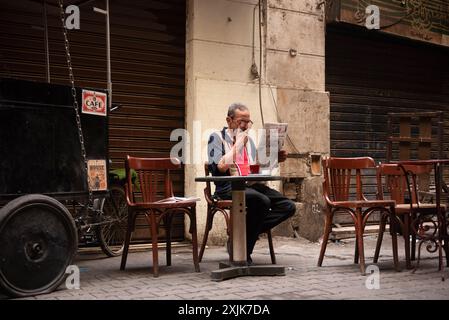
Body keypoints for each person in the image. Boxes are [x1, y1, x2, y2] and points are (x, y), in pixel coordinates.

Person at [207, 102, 296, 263]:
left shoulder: (250, 141)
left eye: (248, 122)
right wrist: (238, 144)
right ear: (229, 120)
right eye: (242, 121)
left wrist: (275, 158)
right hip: (228, 188)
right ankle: (243, 252)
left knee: (288, 206)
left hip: (251, 185)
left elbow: (257, 167)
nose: (246, 126)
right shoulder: (216, 138)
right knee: (262, 202)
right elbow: (220, 167)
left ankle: (239, 236)